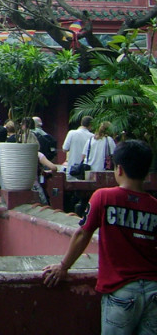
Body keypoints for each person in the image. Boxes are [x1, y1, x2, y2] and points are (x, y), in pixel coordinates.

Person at [43, 140, 157, 334]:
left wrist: (63, 267)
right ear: (147, 172)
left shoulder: (103, 197)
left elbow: (82, 233)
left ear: (118, 169)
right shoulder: (154, 205)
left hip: (121, 290)